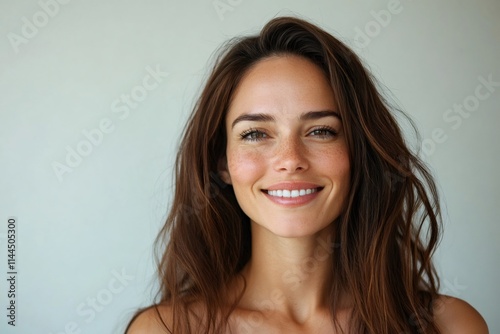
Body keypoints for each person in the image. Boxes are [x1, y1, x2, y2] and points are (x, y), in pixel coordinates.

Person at [126, 16, 488, 333]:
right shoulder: (166, 330)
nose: (290, 160)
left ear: (360, 152)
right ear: (222, 162)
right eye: (255, 134)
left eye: (321, 131)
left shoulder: (451, 326)